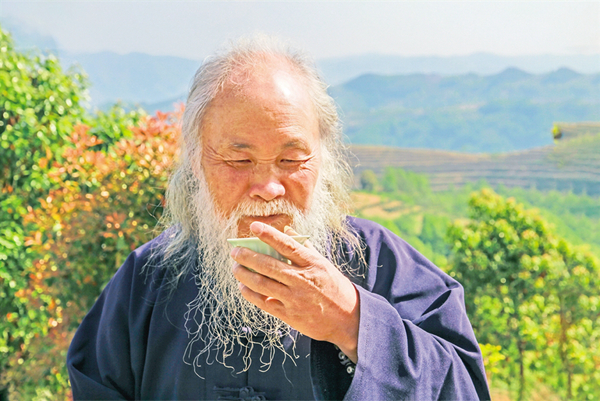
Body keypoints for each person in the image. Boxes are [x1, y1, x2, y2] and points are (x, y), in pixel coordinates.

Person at [67, 35, 490, 400]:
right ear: (196, 161)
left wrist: (351, 320)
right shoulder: (146, 281)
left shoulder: (384, 265)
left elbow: (463, 389)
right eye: (239, 159)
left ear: (322, 160)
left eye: (291, 159)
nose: (268, 188)